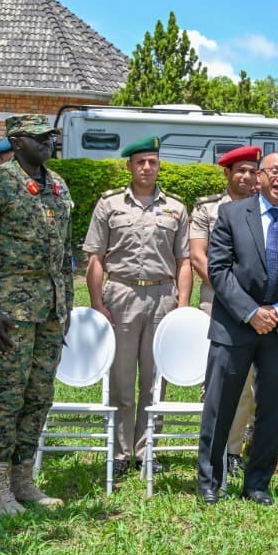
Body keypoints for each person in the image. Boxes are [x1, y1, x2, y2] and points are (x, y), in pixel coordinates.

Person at [0, 114, 75, 515]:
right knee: (7, 398)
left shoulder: (57, 185)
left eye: (51, 138)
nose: (48, 144)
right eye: (40, 138)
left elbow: (65, 255)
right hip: (9, 314)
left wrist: (67, 307)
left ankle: (24, 481)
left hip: (50, 312)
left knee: (39, 396)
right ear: (17, 140)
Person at [195, 152, 278, 505]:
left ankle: (257, 483)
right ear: (261, 177)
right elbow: (218, 269)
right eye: (276, 172)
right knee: (220, 405)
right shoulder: (231, 214)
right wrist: (250, 311)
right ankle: (209, 481)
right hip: (234, 326)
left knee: (272, 408)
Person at [83, 136, 192, 474]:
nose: (147, 168)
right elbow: (96, 258)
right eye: (141, 161)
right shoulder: (110, 204)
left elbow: (184, 260)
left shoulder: (176, 207)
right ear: (128, 166)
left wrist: (182, 306)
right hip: (122, 295)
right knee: (121, 377)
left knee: (156, 379)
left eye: (153, 162)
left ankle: (148, 451)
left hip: (162, 297)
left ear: (159, 166)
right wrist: (98, 303)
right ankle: (119, 452)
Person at [189, 145, 262, 478]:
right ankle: (211, 449)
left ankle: (232, 451)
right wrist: (233, 296)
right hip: (216, 303)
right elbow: (198, 257)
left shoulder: (266, 209)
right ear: (227, 174)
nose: (246, 176)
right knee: (218, 380)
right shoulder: (206, 209)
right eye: (240, 171)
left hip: (256, 309)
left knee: (246, 383)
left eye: (251, 170)